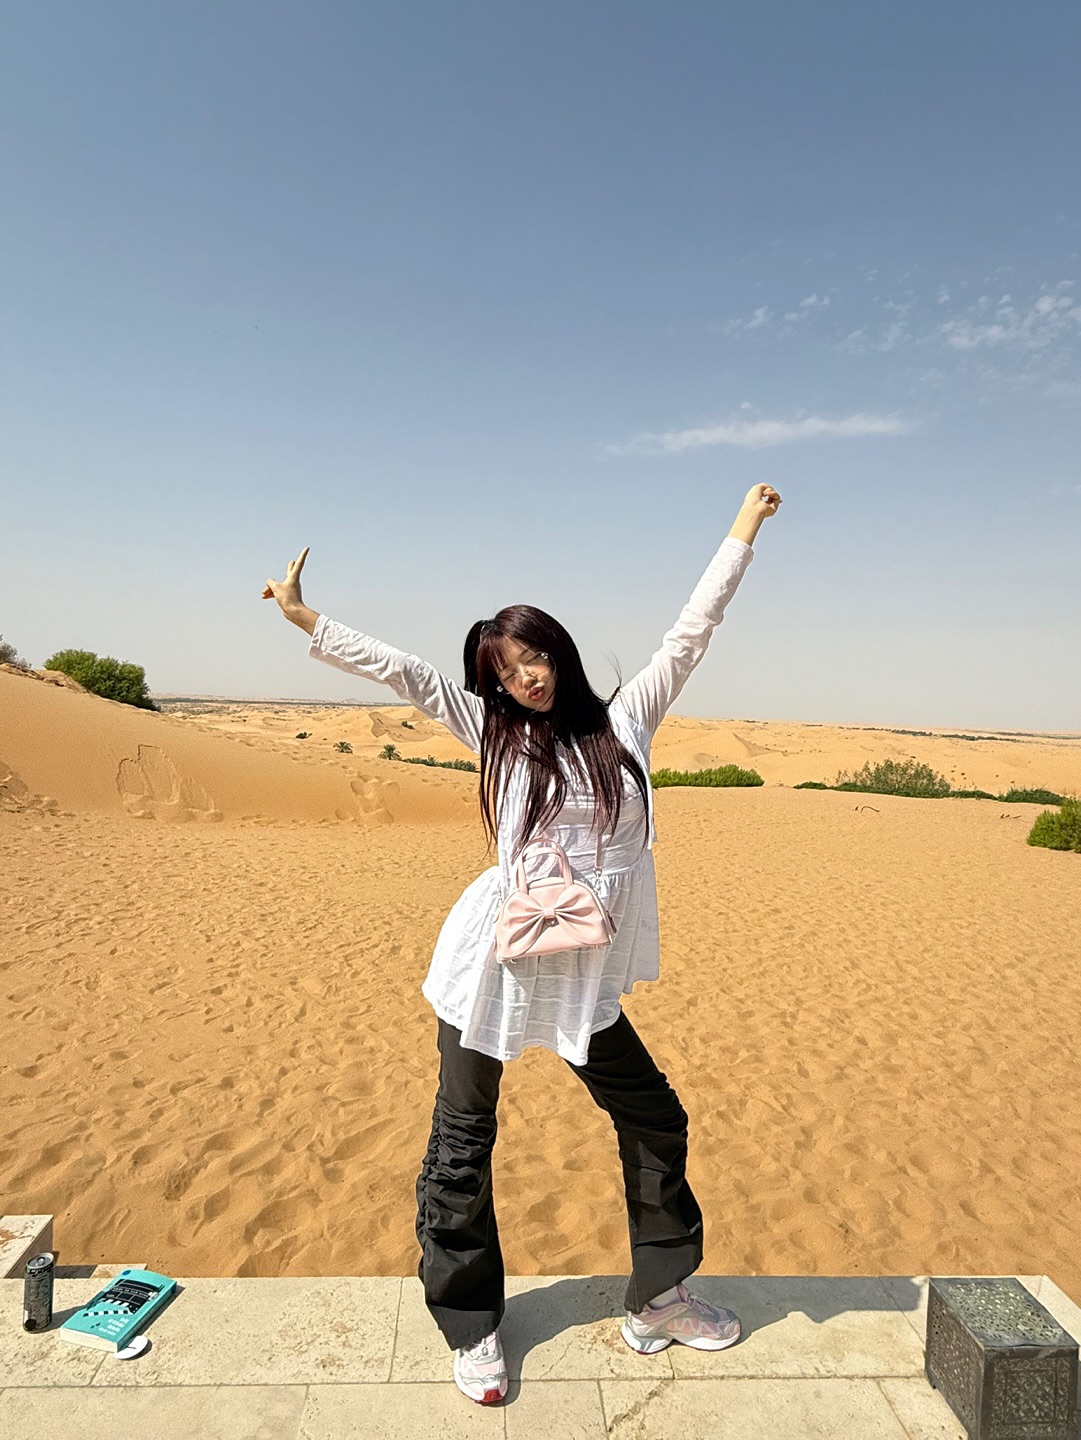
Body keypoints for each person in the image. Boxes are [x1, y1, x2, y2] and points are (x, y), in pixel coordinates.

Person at [262, 482, 781, 1404]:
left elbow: (689, 632)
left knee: (655, 1118)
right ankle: (473, 1327)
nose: (526, 678)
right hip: (494, 969)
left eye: (533, 657)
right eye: (506, 672)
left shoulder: (626, 722)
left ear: (558, 651)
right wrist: (308, 619)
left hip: (583, 979)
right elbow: (411, 676)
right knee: (462, 1141)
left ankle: (658, 1298)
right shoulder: (493, 734)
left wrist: (742, 528)